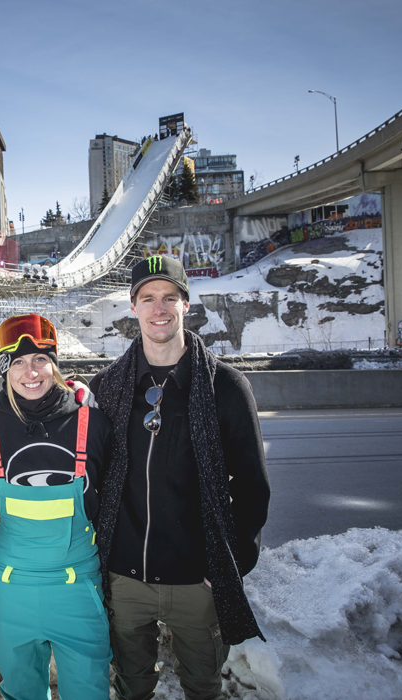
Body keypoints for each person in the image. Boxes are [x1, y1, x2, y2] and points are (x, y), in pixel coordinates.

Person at [89, 255, 271, 700]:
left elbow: (251, 483)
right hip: (125, 577)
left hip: (197, 577)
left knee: (203, 687)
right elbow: (92, 476)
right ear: (133, 307)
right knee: (131, 687)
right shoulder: (107, 386)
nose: (159, 308)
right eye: (147, 298)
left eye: (170, 297)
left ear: (186, 304)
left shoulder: (224, 386)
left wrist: (232, 562)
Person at [0, 314, 114, 700]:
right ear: (4, 370)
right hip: (10, 591)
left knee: (89, 691)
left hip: (77, 590)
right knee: (20, 692)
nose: (29, 372)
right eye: (16, 362)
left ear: (55, 363)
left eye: (39, 360)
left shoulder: (94, 422)